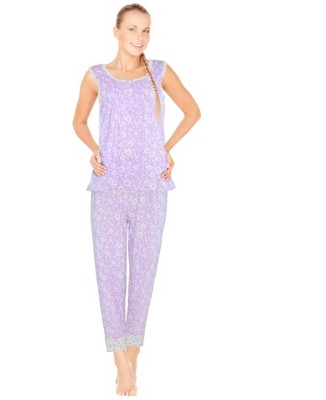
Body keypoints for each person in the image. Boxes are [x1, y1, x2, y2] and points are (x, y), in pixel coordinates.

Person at [72, 3, 201, 396]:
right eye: (132, 29)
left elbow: (192, 112)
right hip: (108, 187)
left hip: (151, 187)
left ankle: (133, 356)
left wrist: (166, 149)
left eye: (146, 30)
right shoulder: (96, 76)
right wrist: (94, 149)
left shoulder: (159, 72)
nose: (140, 37)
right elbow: (78, 121)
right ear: (116, 31)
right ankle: (119, 359)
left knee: (144, 274)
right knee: (109, 274)